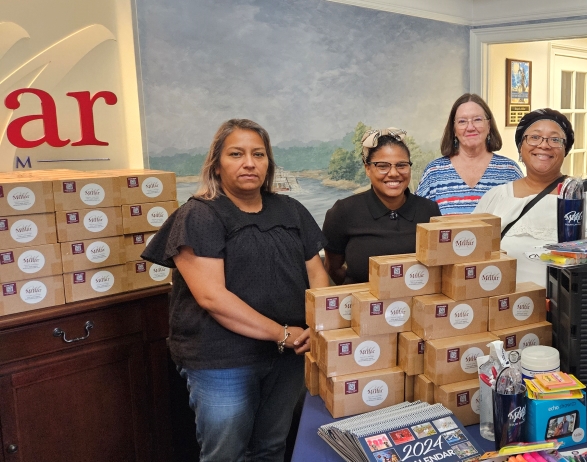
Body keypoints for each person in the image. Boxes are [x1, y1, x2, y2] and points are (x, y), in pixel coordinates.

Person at [142, 119, 329, 461]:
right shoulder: (199, 216)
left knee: (271, 447)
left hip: (288, 356)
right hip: (223, 359)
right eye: (236, 154)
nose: (249, 162)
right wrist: (283, 333)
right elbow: (212, 297)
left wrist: (316, 328)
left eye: (259, 154)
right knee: (226, 454)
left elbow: (317, 274)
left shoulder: (291, 210)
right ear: (216, 163)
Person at [323, 128, 442, 284]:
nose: (393, 173)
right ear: (367, 169)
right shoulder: (343, 212)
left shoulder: (429, 210)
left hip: (417, 306)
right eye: (383, 166)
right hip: (363, 306)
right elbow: (333, 268)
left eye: (401, 165)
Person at [474, 108, 574, 286]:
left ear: (565, 149)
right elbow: (470, 256)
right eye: (534, 137)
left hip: (569, 310)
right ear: (521, 147)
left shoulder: (584, 199)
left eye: (555, 139)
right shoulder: (496, 198)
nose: (544, 145)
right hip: (506, 308)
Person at [416, 94, 523, 215]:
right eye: (462, 121)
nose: (470, 127)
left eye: (477, 119)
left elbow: (524, 220)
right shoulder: (434, 173)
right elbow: (419, 221)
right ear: (454, 129)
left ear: (488, 126)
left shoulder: (510, 171)